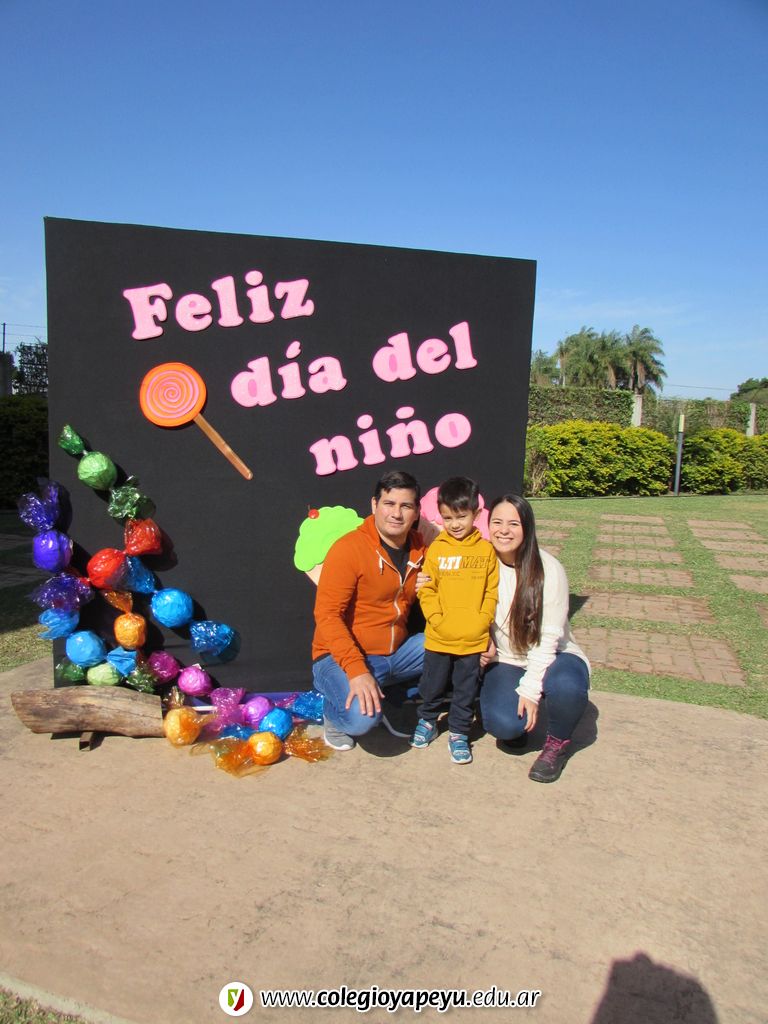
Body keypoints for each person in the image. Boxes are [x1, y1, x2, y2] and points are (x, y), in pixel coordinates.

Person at [312, 469, 426, 750]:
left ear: (416, 512)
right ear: (374, 505)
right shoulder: (348, 549)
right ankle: (333, 714)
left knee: (454, 645)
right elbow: (327, 615)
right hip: (341, 657)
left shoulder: (420, 548)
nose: (396, 514)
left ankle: (390, 699)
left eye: (405, 506)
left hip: (397, 654)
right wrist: (357, 671)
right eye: (389, 503)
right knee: (361, 719)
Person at [479, 494, 590, 783]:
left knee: (567, 686)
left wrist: (529, 690)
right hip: (507, 659)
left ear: (527, 528)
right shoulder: (481, 561)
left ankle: (557, 743)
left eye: (514, 524)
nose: (504, 530)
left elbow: (548, 639)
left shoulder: (548, 568)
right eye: (497, 522)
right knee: (504, 726)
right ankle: (519, 721)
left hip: (555, 656)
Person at [411, 477, 499, 764]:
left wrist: (482, 621)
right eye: (448, 518)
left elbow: (491, 592)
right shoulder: (437, 549)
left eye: (461, 517)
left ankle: (460, 732)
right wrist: (436, 618)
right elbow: (427, 589)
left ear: (476, 513)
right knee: (431, 685)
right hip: (439, 637)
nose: (455, 524)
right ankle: (427, 721)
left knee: (465, 689)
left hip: (472, 639)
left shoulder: (486, 551)